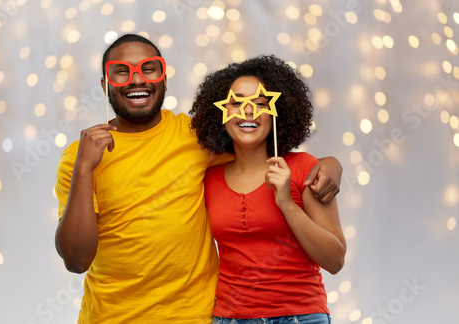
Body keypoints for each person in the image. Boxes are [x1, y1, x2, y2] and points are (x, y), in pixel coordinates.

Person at [54, 34, 343, 323]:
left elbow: (254, 147)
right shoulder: (79, 158)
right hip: (111, 317)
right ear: (106, 85)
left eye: (148, 68)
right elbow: (76, 260)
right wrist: (84, 168)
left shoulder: (197, 138)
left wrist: (330, 163)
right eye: (122, 71)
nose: (137, 80)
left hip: (197, 316)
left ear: (164, 79)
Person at [189, 55, 347, 324]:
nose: (248, 111)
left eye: (260, 103)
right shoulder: (208, 179)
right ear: (221, 114)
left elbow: (335, 260)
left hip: (300, 317)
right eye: (236, 103)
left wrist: (286, 203)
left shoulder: (303, 168)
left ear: (276, 113)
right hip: (230, 318)